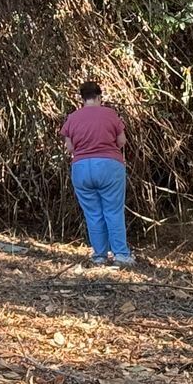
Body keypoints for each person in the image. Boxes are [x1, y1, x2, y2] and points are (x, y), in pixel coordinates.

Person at [61, 81, 133, 268]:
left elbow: (69, 147)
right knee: (113, 211)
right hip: (109, 166)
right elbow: (122, 141)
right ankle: (121, 255)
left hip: (82, 168)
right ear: (99, 97)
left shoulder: (73, 118)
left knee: (93, 213)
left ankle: (99, 255)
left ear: (82, 98)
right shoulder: (109, 114)